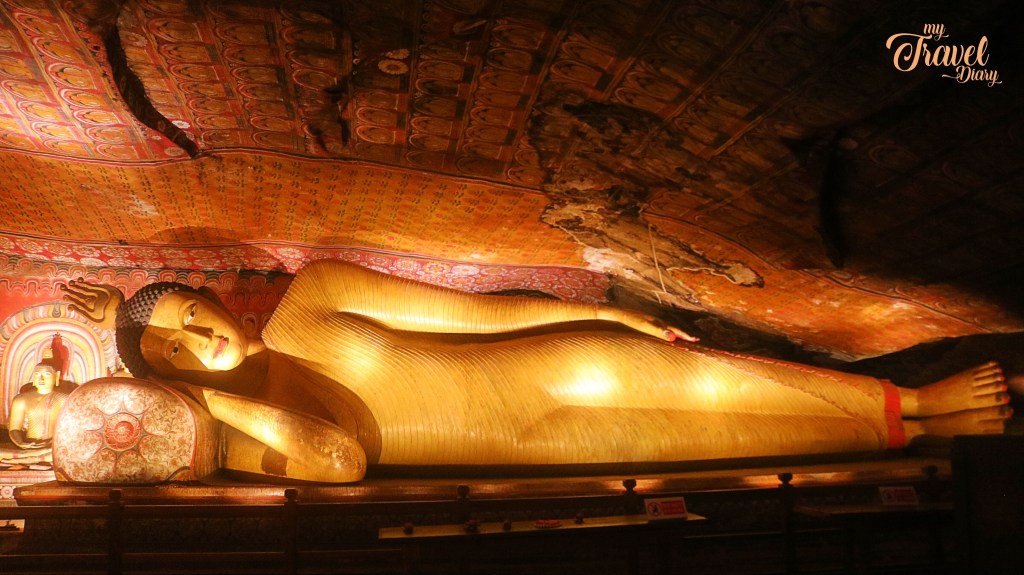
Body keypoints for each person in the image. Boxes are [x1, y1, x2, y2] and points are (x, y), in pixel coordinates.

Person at [59, 260, 1013, 483]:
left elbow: (477, 313)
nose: (201, 339)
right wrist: (202, 398)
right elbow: (342, 460)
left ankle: (917, 398)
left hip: (548, 365)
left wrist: (599, 311)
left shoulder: (314, 295)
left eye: (192, 314)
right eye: (177, 353)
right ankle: (912, 428)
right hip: (533, 441)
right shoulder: (258, 442)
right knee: (729, 438)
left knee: (721, 383)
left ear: (214, 294)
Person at [7, 361, 69, 449]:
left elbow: (70, 427)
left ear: (56, 376)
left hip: (53, 446)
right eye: (37, 374)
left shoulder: (64, 399)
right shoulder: (20, 400)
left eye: (47, 374)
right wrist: (20, 442)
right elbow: (14, 429)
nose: (41, 378)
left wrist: (54, 441)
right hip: (29, 445)